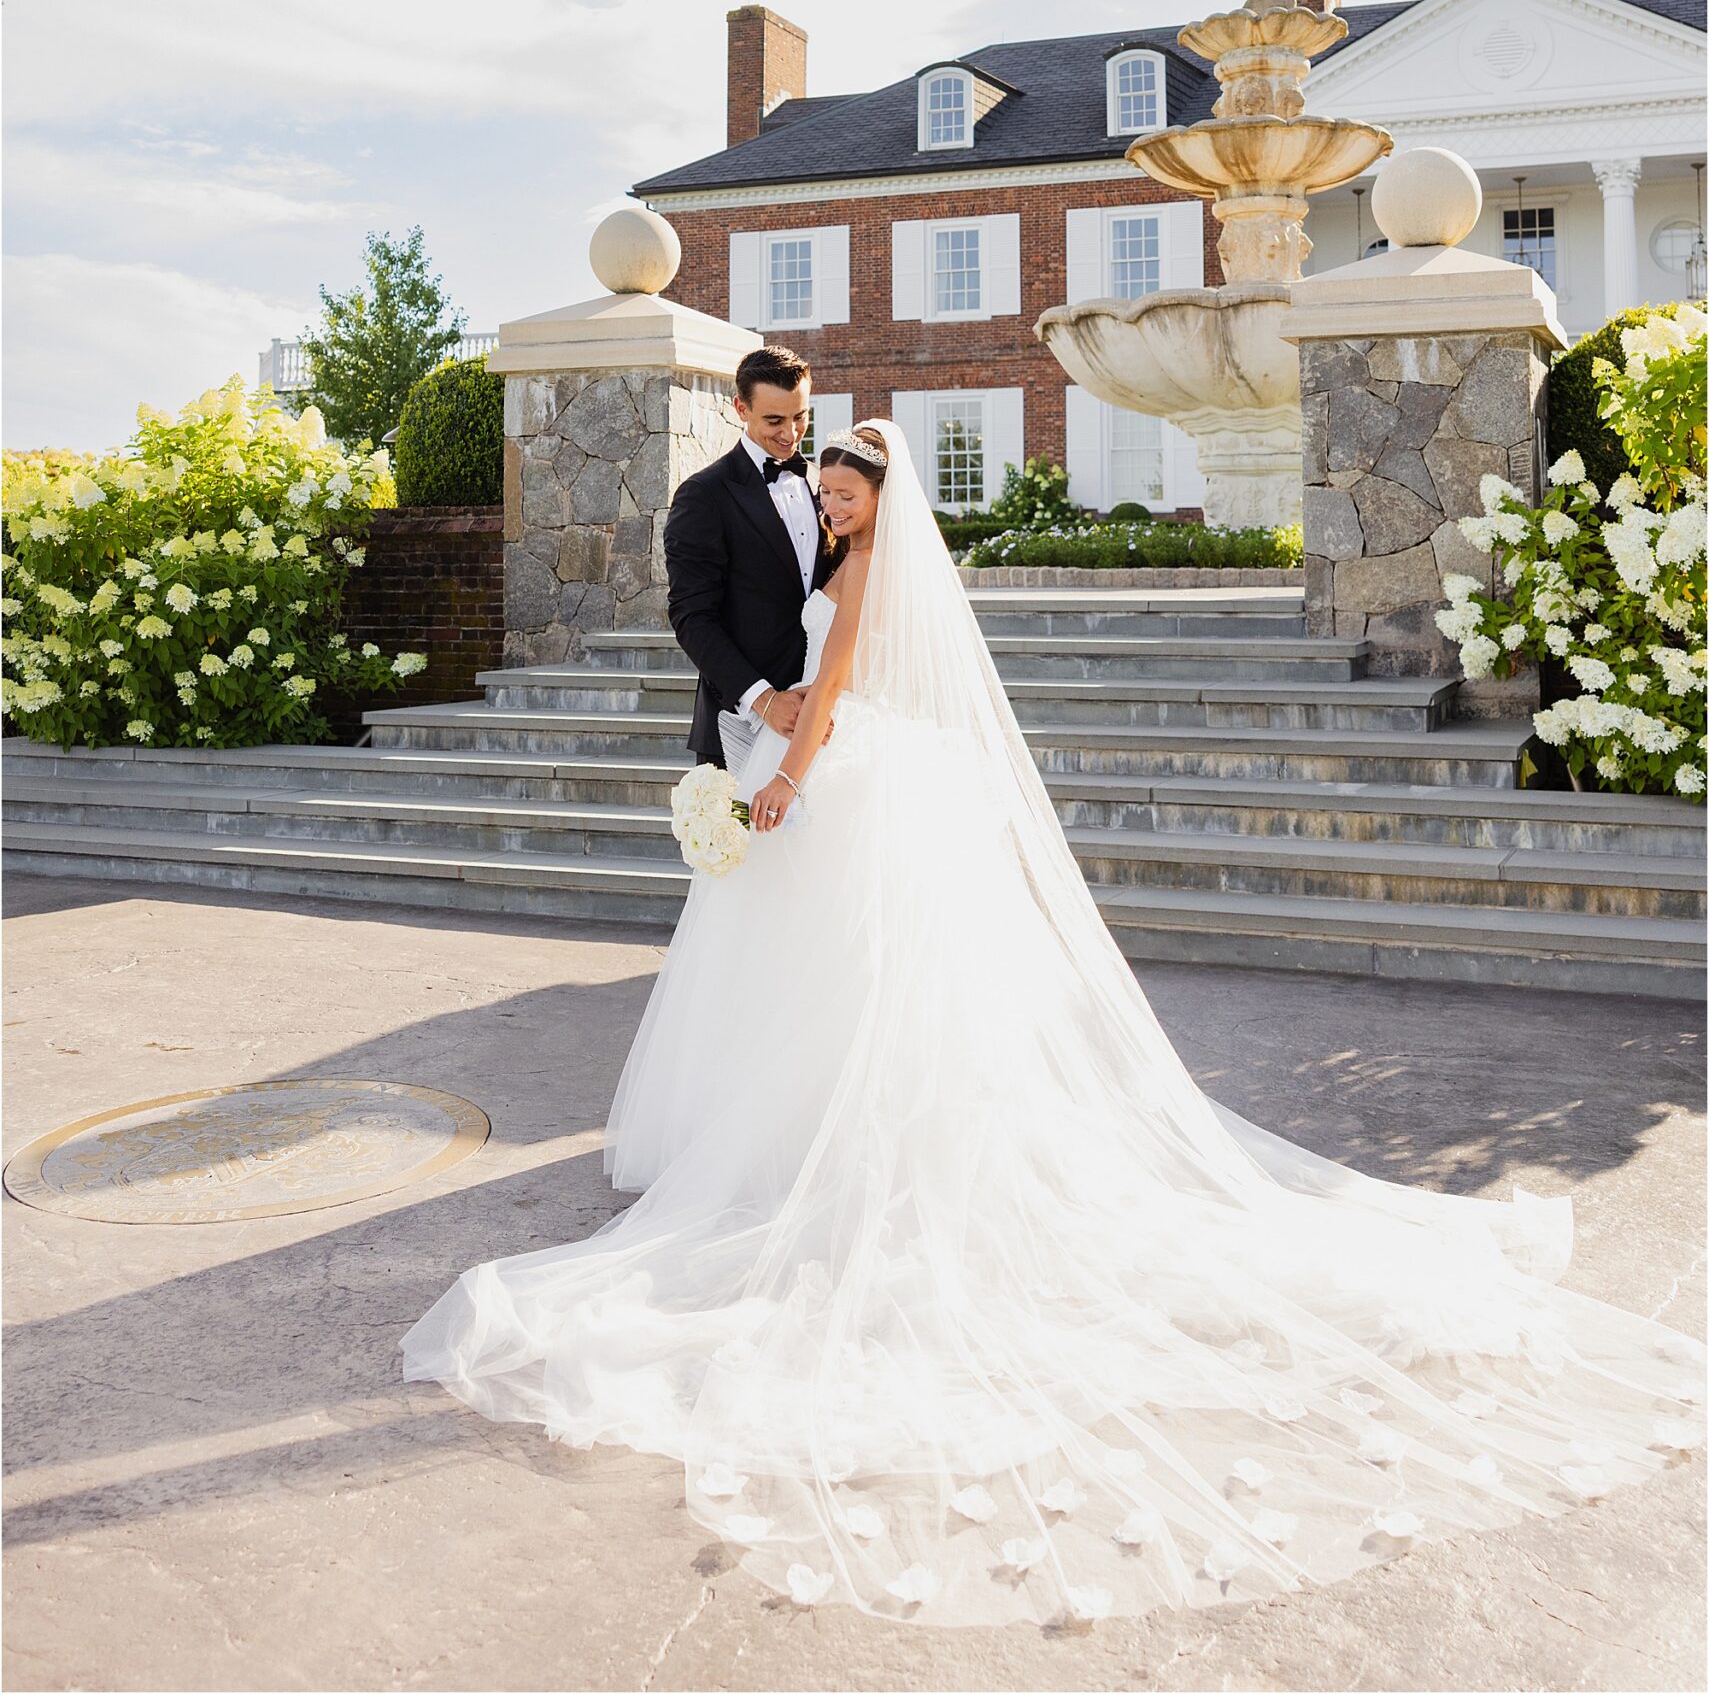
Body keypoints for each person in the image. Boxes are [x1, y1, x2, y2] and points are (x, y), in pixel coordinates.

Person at [401, 422, 1702, 1631]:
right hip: (864, 791)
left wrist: (781, 786)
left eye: (845, 488)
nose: (827, 498)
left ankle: (848, 1160)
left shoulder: (856, 581)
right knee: (844, 993)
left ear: (878, 501)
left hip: (838, 791)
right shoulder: (845, 560)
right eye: (825, 488)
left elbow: (838, 682)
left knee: (865, 993)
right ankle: (815, 1140)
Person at [660, 344, 834, 771]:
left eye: (800, 417)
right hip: (738, 726)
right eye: (774, 420)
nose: (791, 434)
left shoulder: (823, 485)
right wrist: (764, 700)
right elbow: (692, 616)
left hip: (822, 724)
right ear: (741, 407)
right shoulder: (703, 496)